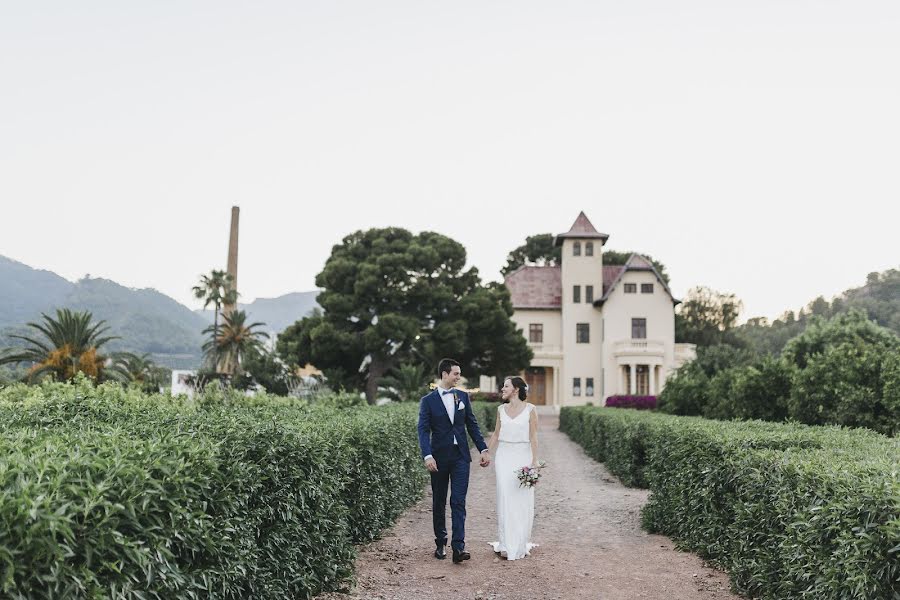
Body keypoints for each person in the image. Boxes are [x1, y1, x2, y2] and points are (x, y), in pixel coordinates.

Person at [417, 358, 490, 563]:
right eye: (456, 374)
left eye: (459, 374)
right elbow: (423, 430)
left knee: (458, 501)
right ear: (445, 374)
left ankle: (458, 548)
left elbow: (472, 425)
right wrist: (427, 455)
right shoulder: (428, 401)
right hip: (438, 458)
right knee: (439, 501)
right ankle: (440, 542)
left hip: (460, 457)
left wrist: (483, 449)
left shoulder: (463, 397)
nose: (459, 377)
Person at [486, 375, 539, 560]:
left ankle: (519, 540)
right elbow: (495, 434)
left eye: (506, 386)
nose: (503, 389)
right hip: (504, 456)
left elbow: (533, 437)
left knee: (521, 498)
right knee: (505, 496)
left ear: (516, 389)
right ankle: (506, 543)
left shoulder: (531, 409)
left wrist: (534, 462)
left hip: (523, 455)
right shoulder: (501, 409)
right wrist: (487, 452)